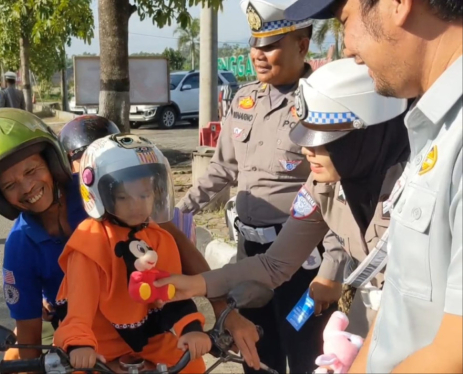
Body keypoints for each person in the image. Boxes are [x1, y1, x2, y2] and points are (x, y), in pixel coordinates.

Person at [0, 109, 264, 369]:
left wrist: (228, 314)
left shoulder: (104, 188)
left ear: (53, 165)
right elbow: (28, 334)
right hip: (79, 333)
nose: (27, 187)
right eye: (11, 185)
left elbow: (174, 245)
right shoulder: (20, 246)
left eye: (31, 170)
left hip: (149, 318)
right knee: (16, 364)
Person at [156, 58, 411, 341]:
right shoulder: (321, 189)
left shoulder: (417, 189)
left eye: (320, 140)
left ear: (364, 137)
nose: (305, 151)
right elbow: (274, 265)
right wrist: (195, 284)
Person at [283, 0, 462, 372]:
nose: (347, 46)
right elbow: (399, 307)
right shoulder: (433, 130)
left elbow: (454, 350)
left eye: (344, 19)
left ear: (398, 4)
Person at [175, 0, 335, 372]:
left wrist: (334, 268)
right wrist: (178, 212)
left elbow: (335, 193)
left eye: (271, 45)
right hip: (249, 257)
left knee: (306, 353)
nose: (258, 55)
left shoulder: (321, 105)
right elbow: (221, 168)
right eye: (255, 44)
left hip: (302, 264)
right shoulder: (245, 100)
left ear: (301, 44)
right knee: (256, 353)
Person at [53, 134, 210, 371]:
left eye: (145, 195)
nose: (137, 205)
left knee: (193, 365)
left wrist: (191, 329)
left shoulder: (159, 237)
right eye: (123, 197)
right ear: (100, 195)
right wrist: (79, 345)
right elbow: (79, 307)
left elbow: (172, 294)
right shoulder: (89, 240)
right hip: (96, 338)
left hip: (148, 336)